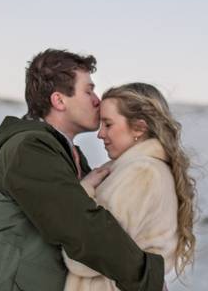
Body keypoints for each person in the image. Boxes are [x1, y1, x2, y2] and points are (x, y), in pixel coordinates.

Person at [0, 50, 165, 291]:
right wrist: (147, 276)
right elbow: (81, 226)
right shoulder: (29, 150)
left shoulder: (66, 155)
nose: (97, 100)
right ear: (59, 101)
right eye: (88, 91)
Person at [62, 83, 196, 291]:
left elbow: (86, 258)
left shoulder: (140, 173)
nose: (100, 134)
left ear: (139, 128)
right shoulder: (144, 169)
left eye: (108, 124)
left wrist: (82, 192)